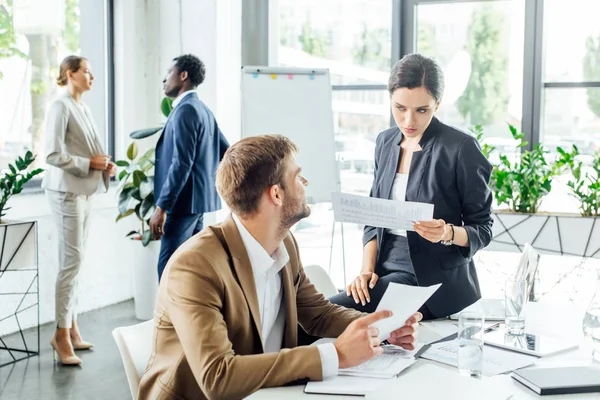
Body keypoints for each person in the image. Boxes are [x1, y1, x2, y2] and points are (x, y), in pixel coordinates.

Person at [137, 135, 422, 400]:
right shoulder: (195, 266)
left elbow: (319, 315)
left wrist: (381, 330)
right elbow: (217, 377)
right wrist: (335, 355)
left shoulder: (284, 244)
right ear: (276, 194)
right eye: (297, 177)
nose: (306, 182)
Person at [330, 53, 493, 320]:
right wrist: (365, 271)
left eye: (421, 110)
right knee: (318, 314)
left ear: (437, 105)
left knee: (327, 316)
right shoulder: (385, 142)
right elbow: (373, 220)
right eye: (400, 108)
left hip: (432, 281)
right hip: (383, 271)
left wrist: (447, 232)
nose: (408, 121)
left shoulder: (461, 148)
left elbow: (483, 229)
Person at [42, 55, 116, 365]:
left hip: (84, 191)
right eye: (86, 70)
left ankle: (70, 326)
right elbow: (52, 153)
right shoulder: (60, 106)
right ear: (70, 74)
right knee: (70, 263)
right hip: (66, 192)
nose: (92, 76)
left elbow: (88, 150)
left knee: (77, 261)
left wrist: (103, 166)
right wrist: (90, 164)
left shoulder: (81, 107)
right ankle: (60, 334)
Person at [150, 54, 229, 281]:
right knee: (190, 268)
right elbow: (227, 151)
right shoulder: (203, 110)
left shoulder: (185, 110)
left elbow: (181, 163)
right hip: (197, 204)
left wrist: (161, 207)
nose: (164, 80)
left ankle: (168, 317)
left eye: (169, 73)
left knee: (168, 269)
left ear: (183, 75)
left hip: (182, 205)